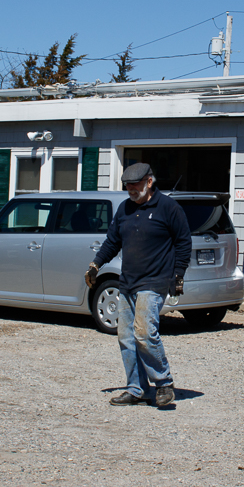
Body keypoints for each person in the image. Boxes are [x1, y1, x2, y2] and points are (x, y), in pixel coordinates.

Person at [86, 162, 190, 408]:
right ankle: (137, 389)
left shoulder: (169, 208)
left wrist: (178, 275)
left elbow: (183, 243)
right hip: (128, 282)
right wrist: (96, 265)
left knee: (144, 333)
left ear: (149, 182)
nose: (131, 190)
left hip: (154, 281)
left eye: (135, 185)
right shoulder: (124, 208)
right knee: (126, 337)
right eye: (127, 186)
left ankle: (163, 383)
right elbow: (113, 241)